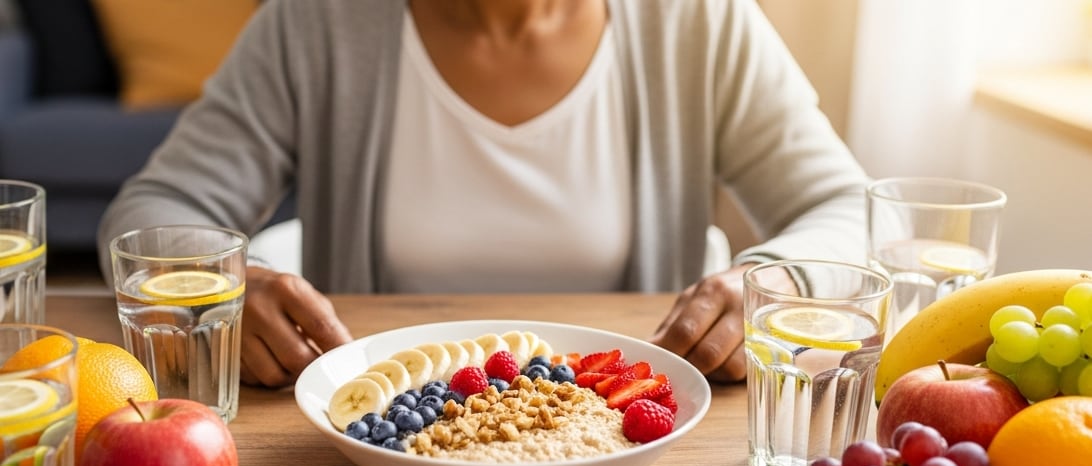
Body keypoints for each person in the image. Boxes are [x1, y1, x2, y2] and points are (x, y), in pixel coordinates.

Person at [96, 0, 870, 390]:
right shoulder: (315, 21)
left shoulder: (698, 20)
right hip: (387, 443)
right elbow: (151, 211)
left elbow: (844, 208)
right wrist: (222, 288)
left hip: (629, 459)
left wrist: (772, 282)